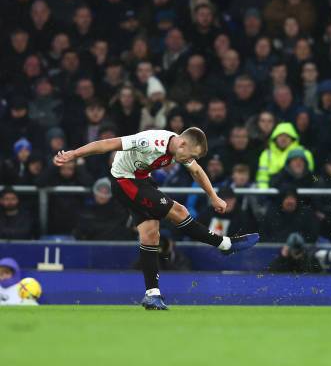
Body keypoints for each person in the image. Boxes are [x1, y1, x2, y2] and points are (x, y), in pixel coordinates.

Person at [53, 127, 259, 310]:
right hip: (125, 181)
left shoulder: (180, 149)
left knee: (150, 234)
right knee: (179, 212)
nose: (189, 159)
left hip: (140, 180)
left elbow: (197, 171)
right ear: (183, 143)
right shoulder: (151, 141)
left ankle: (152, 294)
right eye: (191, 155)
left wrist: (213, 197)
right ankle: (224, 244)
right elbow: (108, 144)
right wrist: (74, 153)